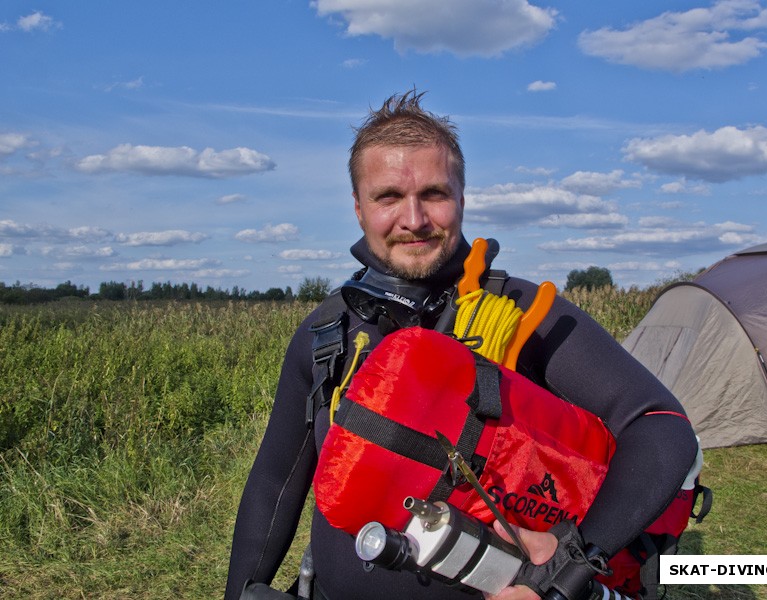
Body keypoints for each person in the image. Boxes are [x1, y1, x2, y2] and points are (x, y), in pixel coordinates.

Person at [225, 90, 699, 600]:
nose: (414, 219)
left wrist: (569, 570)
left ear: (462, 199)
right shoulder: (329, 333)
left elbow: (663, 430)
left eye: (434, 193)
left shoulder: (522, 314)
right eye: (388, 197)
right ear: (359, 208)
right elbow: (274, 484)